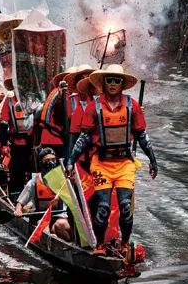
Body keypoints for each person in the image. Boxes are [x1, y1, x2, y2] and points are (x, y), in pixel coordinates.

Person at [67, 63, 158, 251]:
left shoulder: (132, 106)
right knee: (103, 208)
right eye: (110, 80)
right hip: (101, 164)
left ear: (123, 84)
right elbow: (83, 137)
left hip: (125, 163)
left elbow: (142, 135)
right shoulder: (93, 107)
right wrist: (71, 160)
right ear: (104, 83)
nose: (113, 84)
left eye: (117, 80)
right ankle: (100, 245)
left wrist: (152, 160)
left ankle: (124, 244)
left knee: (125, 206)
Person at [0, 80, 34, 193]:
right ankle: (15, 197)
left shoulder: (35, 98)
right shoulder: (9, 100)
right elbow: (3, 124)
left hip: (33, 144)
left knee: (34, 172)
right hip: (17, 144)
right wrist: (4, 145)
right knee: (16, 174)